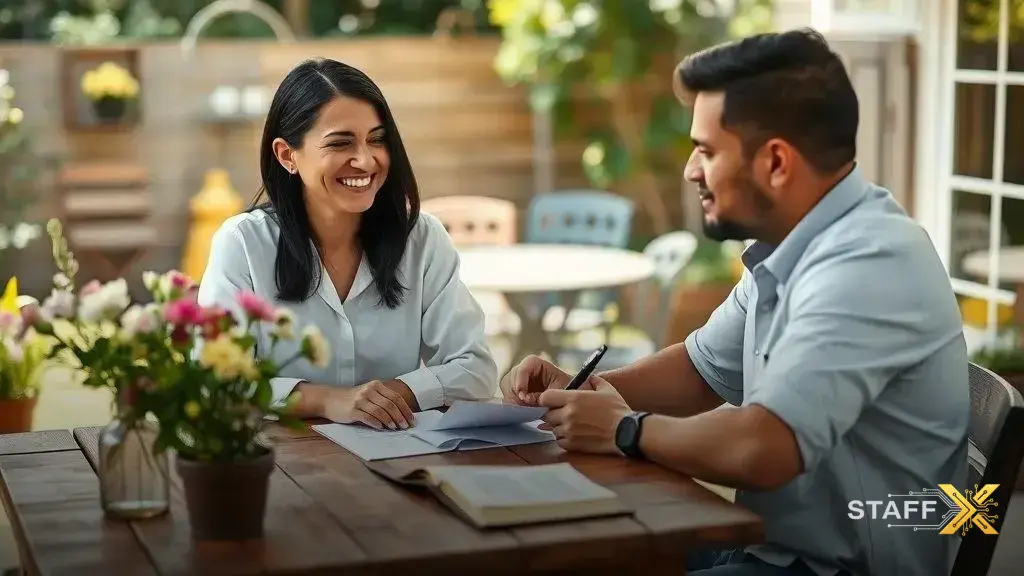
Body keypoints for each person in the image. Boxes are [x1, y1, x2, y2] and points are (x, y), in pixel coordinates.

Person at [501, 29, 969, 576]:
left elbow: (766, 448)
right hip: (768, 550)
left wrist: (626, 429)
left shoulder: (868, 263)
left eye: (705, 150)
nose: (690, 170)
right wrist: (579, 391)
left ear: (775, 162)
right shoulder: (791, 246)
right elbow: (701, 372)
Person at [198, 58, 498, 431]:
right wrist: (326, 400)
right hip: (283, 465)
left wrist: (394, 393)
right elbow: (215, 381)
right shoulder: (243, 243)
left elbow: (477, 369)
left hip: (397, 456)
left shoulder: (421, 238)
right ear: (287, 155)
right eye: (341, 143)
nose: (365, 160)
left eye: (377, 139)